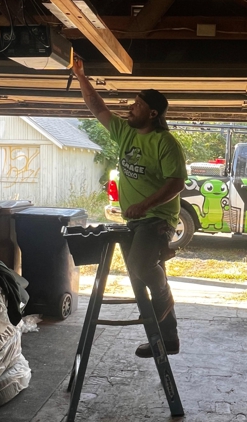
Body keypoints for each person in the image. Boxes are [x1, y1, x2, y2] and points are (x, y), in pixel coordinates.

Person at [72, 57, 187, 358]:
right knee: (139, 275)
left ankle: (164, 294)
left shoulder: (165, 143)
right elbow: (97, 108)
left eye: (136, 105)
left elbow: (176, 183)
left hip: (158, 219)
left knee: (140, 267)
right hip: (136, 221)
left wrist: (146, 204)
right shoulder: (125, 133)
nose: (130, 108)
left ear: (151, 113)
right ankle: (167, 339)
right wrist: (82, 77)